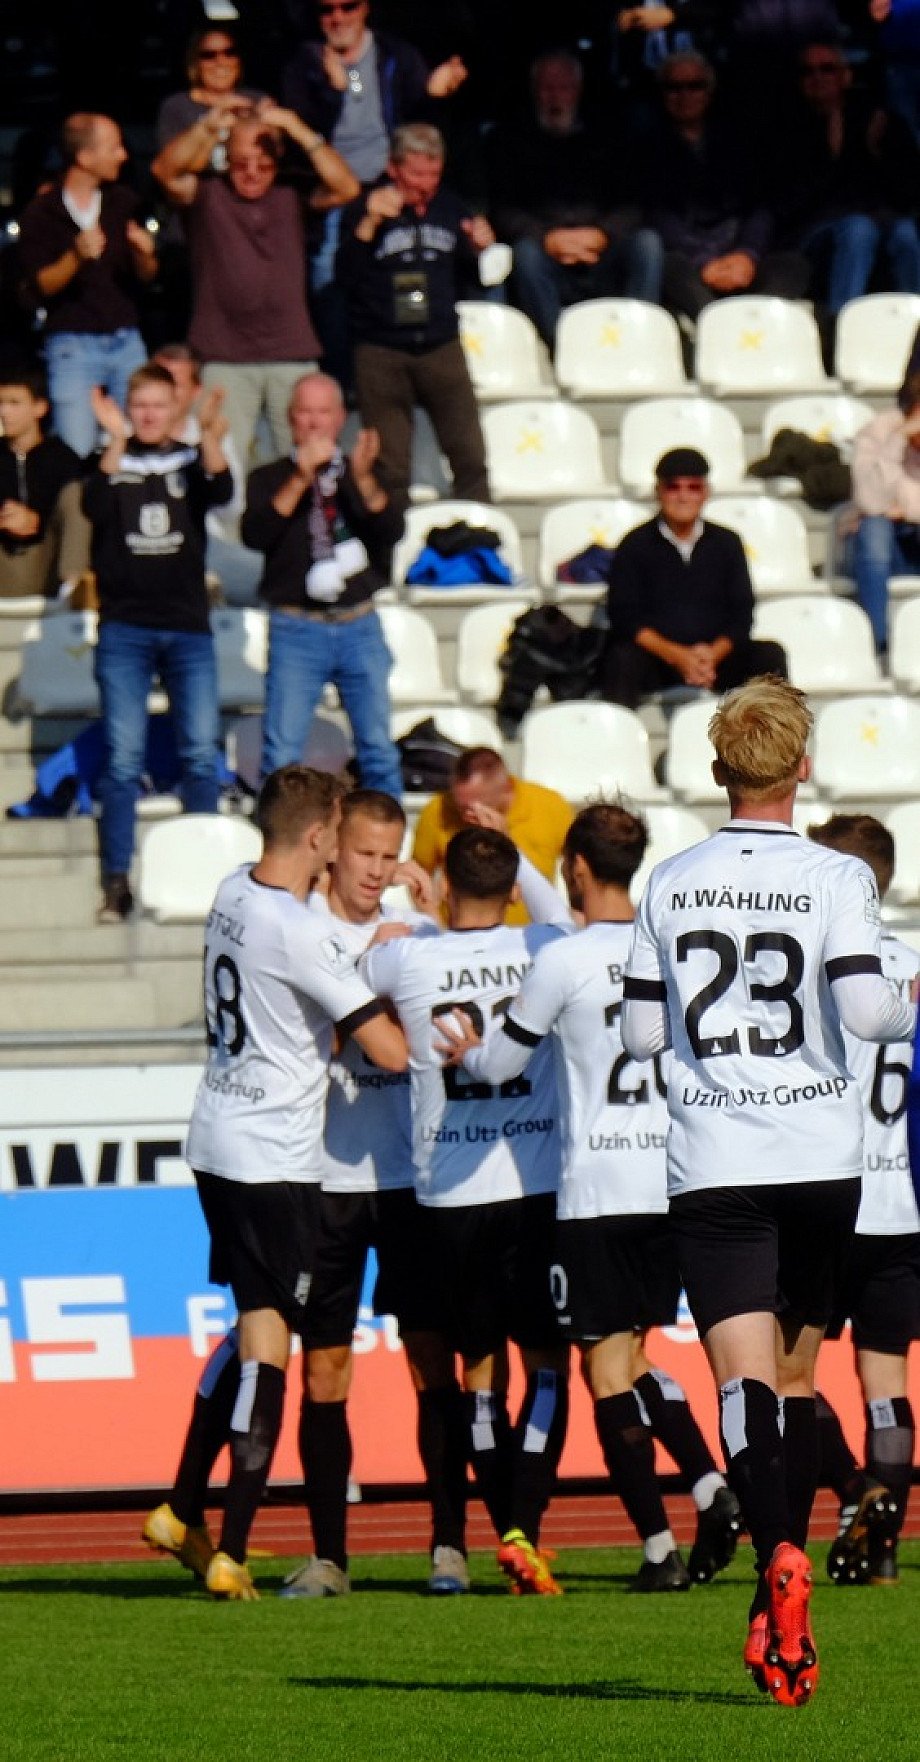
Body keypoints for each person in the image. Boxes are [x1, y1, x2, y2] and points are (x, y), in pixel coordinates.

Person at [620, 674, 916, 1706]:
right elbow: (867, 1012)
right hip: (821, 1160)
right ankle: (775, 1586)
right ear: (802, 766)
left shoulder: (670, 879)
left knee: (740, 1384)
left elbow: (641, 1035)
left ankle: (777, 1555)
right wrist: (904, 1002)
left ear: (716, 769)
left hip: (716, 1162)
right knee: (796, 1380)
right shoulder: (836, 877)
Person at [438, 802, 742, 1593]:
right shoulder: (669, 948)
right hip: (668, 1182)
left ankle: (670, 1537)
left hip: (595, 1193)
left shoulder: (563, 961)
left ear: (576, 868)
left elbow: (503, 1063)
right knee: (634, 1358)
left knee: (606, 1372)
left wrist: (469, 1055)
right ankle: (702, 1498)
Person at [147, 764, 409, 1600]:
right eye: (338, 832)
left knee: (249, 1329)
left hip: (216, 1139)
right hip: (275, 1159)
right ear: (319, 837)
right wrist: (388, 963)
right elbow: (389, 1051)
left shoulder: (234, 888)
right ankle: (230, 1548)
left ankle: (182, 1510)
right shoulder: (297, 930)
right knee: (269, 1345)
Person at [363, 827, 570, 1595]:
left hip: (450, 1197)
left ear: (447, 885)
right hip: (537, 1186)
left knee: (479, 1371)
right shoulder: (546, 946)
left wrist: (416, 914)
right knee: (548, 1369)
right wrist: (518, 863)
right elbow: (558, 911)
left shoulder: (413, 958)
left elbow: (366, 960)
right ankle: (526, 1533)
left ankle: (503, 1526)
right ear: (511, 887)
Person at [280, 788, 470, 1598]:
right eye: (364, 853)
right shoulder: (298, 932)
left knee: (432, 1364)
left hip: (410, 1182)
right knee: (324, 1371)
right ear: (332, 848)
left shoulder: (416, 935)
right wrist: (370, 974)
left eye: (390, 855)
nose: (377, 869)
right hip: (326, 1180)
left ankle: (449, 1547)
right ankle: (330, 1557)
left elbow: (451, 1036)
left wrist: (419, 934)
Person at [807, 813, 919, 1588]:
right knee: (887, 1384)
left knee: (784, 1372)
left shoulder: (813, 970)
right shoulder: (911, 968)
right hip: (901, 1207)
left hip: (828, 1196)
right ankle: (882, 1551)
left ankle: (854, 1488)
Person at [81, 363, 233, 922]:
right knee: (123, 759)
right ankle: (116, 881)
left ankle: (206, 877)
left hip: (188, 627)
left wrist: (210, 437)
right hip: (124, 628)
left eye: (158, 406)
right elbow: (93, 508)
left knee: (200, 754)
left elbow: (221, 490)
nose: (148, 415)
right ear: (127, 409)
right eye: (139, 405)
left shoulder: (190, 460)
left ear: (176, 409)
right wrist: (115, 441)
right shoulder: (108, 459)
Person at [151, 102, 358, 471]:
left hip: (291, 352)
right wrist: (207, 126)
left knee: (307, 463)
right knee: (224, 466)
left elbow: (347, 187)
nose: (251, 173)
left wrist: (297, 128)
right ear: (226, 159)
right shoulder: (207, 193)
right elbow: (164, 171)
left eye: (263, 164)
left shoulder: (292, 192)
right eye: (241, 163)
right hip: (223, 355)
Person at [282, 0, 468, 381]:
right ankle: (341, 382)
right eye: (327, 10)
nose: (338, 18)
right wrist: (331, 91)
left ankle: (417, 367)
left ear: (365, 9)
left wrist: (435, 95)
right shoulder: (304, 63)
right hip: (334, 190)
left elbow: (422, 133)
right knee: (329, 275)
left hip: (389, 183)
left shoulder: (396, 54)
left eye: (347, 7)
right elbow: (297, 136)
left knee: (417, 264)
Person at [240, 371, 403, 796]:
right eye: (305, 412)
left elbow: (391, 530)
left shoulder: (363, 471)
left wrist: (363, 479)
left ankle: (390, 837)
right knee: (282, 755)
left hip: (359, 625)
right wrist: (300, 477)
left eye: (323, 412)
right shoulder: (269, 477)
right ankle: (277, 836)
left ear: (340, 418)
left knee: (379, 751)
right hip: (297, 629)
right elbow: (255, 534)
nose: (314, 422)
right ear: (290, 418)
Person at [337, 122, 491, 512]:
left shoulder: (451, 208)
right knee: (390, 468)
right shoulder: (362, 207)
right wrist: (368, 225)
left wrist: (480, 249)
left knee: (470, 454)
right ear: (393, 168)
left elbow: (476, 278)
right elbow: (344, 278)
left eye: (433, 174)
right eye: (416, 174)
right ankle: (395, 541)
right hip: (381, 352)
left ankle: (481, 534)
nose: (425, 184)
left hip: (441, 347)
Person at [486, 49, 662, 348]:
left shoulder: (610, 137)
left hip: (602, 254)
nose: (555, 97)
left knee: (648, 244)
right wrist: (547, 238)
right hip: (547, 255)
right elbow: (503, 209)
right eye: (547, 88)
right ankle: (562, 350)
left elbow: (633, 203)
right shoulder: (509, 140)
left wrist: (602, 234)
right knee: (525, 253)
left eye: (563, 88)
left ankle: (638, 343)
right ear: (534, 91)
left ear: (577, 91)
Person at [601, 447, 787, 709]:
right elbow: (625, 619)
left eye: (693, 487)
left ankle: (780, 735)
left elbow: (742, 614)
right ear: (658, 491)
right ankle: (617, 733)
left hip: (716, 660)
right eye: (673, 487)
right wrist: (678, 656)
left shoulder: (727, 543)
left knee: (769, 656)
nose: (683, 496)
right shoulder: (634, 545)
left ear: (706, 492)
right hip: (659, 659)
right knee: (621, 659)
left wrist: (711, 656)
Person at [16, 113, 157, 456]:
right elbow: (41, 286)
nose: (123, 155)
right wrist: (75, 257)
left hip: (125, 340)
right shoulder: (42, 212)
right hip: (72, 346)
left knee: (138, 442)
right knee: (75, 447)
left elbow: (147, 277)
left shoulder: (124, 202)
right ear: (85, 157)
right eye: (114, 147)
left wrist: (145, 255)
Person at [639, 52, 809, 322]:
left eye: (694, 86)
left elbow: (761, 205)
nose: (684, 95)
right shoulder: (646, 148)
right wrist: (703, 262)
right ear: (662, 94)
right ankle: (718, 327)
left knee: (793, 265)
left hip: (740, 258)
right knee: (669, 266)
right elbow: (656, 214)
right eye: (674, 87)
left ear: (709, 92)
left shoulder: (740, 142)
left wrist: (747, 255)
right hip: (689, 262)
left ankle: (754, 324)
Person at [771, 41, 920, 323]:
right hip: (813, 234)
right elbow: (784, 204)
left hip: (881, 224)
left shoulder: (879, 121)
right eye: (808, 71)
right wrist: (831, 158)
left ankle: (915, 331)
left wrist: (876, 155)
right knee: (857, 229)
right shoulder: (785, 128)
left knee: (905, 233)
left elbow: (908, 194)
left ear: (846, 76)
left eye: (827, 69)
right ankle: (842, 326)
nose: (818, 77)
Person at [411, 747, 573, 927]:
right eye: (460, 807)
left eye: (476, 807)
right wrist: (435, 924)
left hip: (533, 935)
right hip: (461, 936)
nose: (466, 815)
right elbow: (418, 873)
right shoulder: (437, 811)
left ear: (506, 788)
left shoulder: (550, 806)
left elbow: (578, 867)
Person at [153, 341, 261, 606]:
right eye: (159, 380)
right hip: (144, 545)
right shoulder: (122, 434)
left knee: (271, 580)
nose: (166, 392)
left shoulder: (211, 434)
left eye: (176, 384)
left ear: (195, 391)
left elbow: (231, 509)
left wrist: (209, 443)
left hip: (209, 544)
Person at [0, 363, 87, 599]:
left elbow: (70, 516)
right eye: (1, 403)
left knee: (76, 496)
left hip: (48, 562)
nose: (4, 412)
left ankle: (72, 591)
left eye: (14, 403)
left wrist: (35, 519)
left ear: (39, 407)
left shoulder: (62, 458)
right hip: (5, 564)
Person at [849, 371, 920, 653]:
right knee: (874, 527)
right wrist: (898, 440)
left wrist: (907, 508)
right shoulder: (879, 431)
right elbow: (871, 502)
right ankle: (878, 645)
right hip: (880, 552)